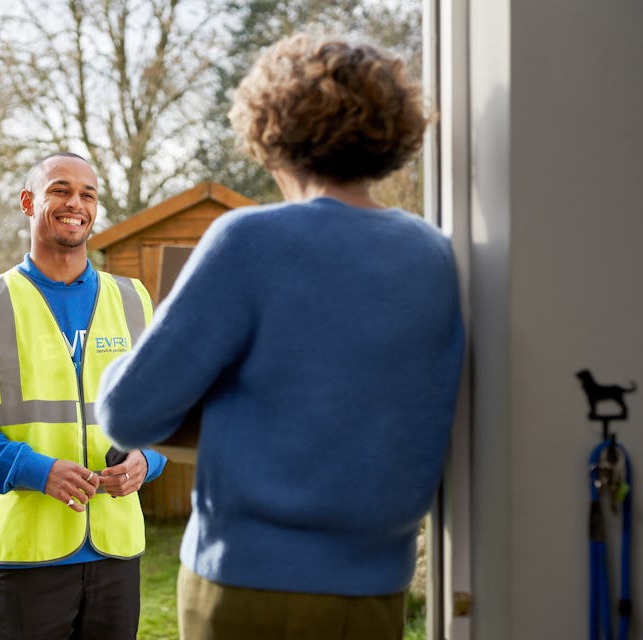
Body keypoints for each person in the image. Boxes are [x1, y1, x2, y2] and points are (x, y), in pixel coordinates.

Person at [94, 31, 465, 640]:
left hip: (246, 588)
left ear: (270, 131)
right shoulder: (433, 255)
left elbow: (127, 414)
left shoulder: (249, 241)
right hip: (376, 594)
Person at [0, 151, 167, 640]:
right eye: (60, 189)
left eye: (87, 194)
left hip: (117, 549)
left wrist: (150, 461)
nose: (75, 203)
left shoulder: (134, 300)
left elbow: (168, 412)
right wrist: (38, 471)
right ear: (27, 202)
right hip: (28, 554)